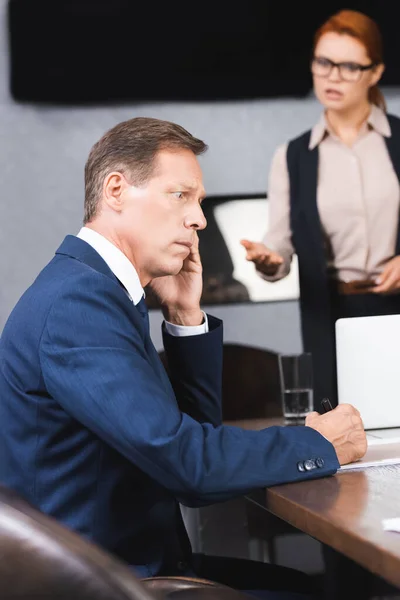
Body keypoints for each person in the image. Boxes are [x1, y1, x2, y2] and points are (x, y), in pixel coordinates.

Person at [0, 117, 366, 599]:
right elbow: (190, 469)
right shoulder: (77, 305)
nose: (200, 218)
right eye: (181, 195)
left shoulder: (96, 289)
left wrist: (184, 315)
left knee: (304, 587)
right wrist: (317, 443)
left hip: (136, 566)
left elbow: (191, 438)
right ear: (115, 190)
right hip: (106, 583)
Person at [241, 9, 400, 410]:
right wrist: (268, 258)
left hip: (396, 308)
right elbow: (280, 242)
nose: (333, 76)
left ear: (375, 72)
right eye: (324, 62)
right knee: (343, 424)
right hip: (331, 313)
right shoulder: (293, 156)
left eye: (349, 66)